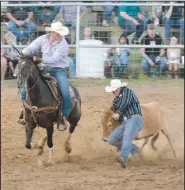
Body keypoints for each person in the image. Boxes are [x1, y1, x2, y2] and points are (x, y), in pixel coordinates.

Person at [19, 22, 70, 131]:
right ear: (52, 32)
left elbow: (54, 59)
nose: (59, 35)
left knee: (65, 92)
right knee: (23, 90)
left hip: (58, 70)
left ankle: (63, 117)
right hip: (42, 69)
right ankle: (26, 111)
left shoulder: (63, 44)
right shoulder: (42, 39)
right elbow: (31, 48)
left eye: (60, 33)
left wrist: (40, 60)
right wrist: (23, 53)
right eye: (57, 33)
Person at [105, 79, 143, 168]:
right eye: (113, 90)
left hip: (135, 118)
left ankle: (123, 159)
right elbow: (115, 112)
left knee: (126, 137)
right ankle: (134, 149)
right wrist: (115, 115)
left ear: (119, 88)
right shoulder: (115, 101)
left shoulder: (127, 91)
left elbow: (126, 102)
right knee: (112, 139)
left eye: (115, 89)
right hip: (125, 122)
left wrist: (118, 113)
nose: (113, 92)